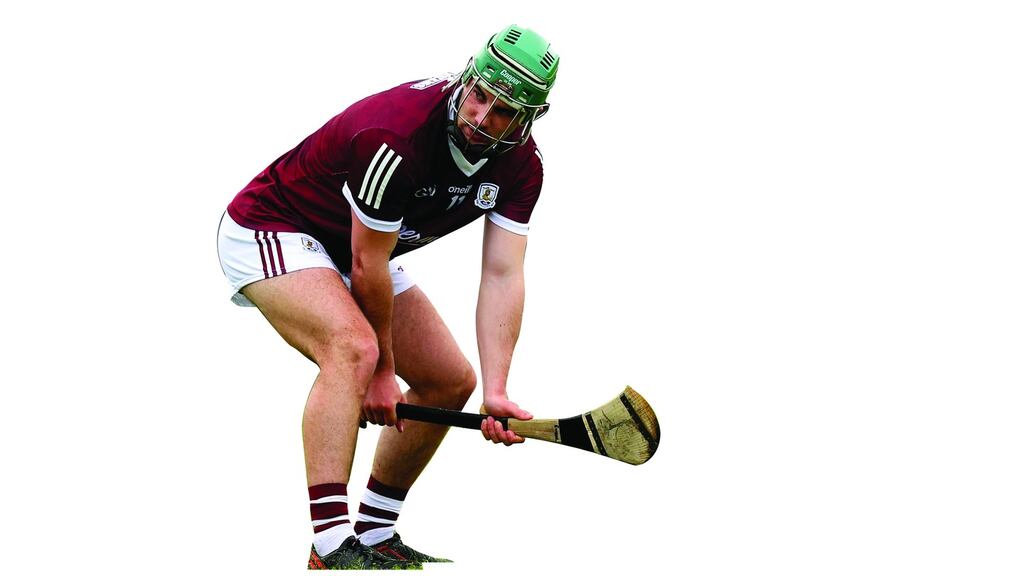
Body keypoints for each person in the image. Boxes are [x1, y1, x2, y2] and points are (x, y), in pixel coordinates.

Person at [216, 24, 559, 570]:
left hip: (358, 245)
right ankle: (330, 546)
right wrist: (381, 373)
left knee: (452, 381)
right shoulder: (395, 136)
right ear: (468, 78)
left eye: (502, 111)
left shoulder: (523, 168)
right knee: (355, 350)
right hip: (276, 225)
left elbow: (501, 274)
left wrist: (497, 390)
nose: (480, 116)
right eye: (479, 95)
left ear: (528, 120)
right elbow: (366, 263)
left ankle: (376, 532)